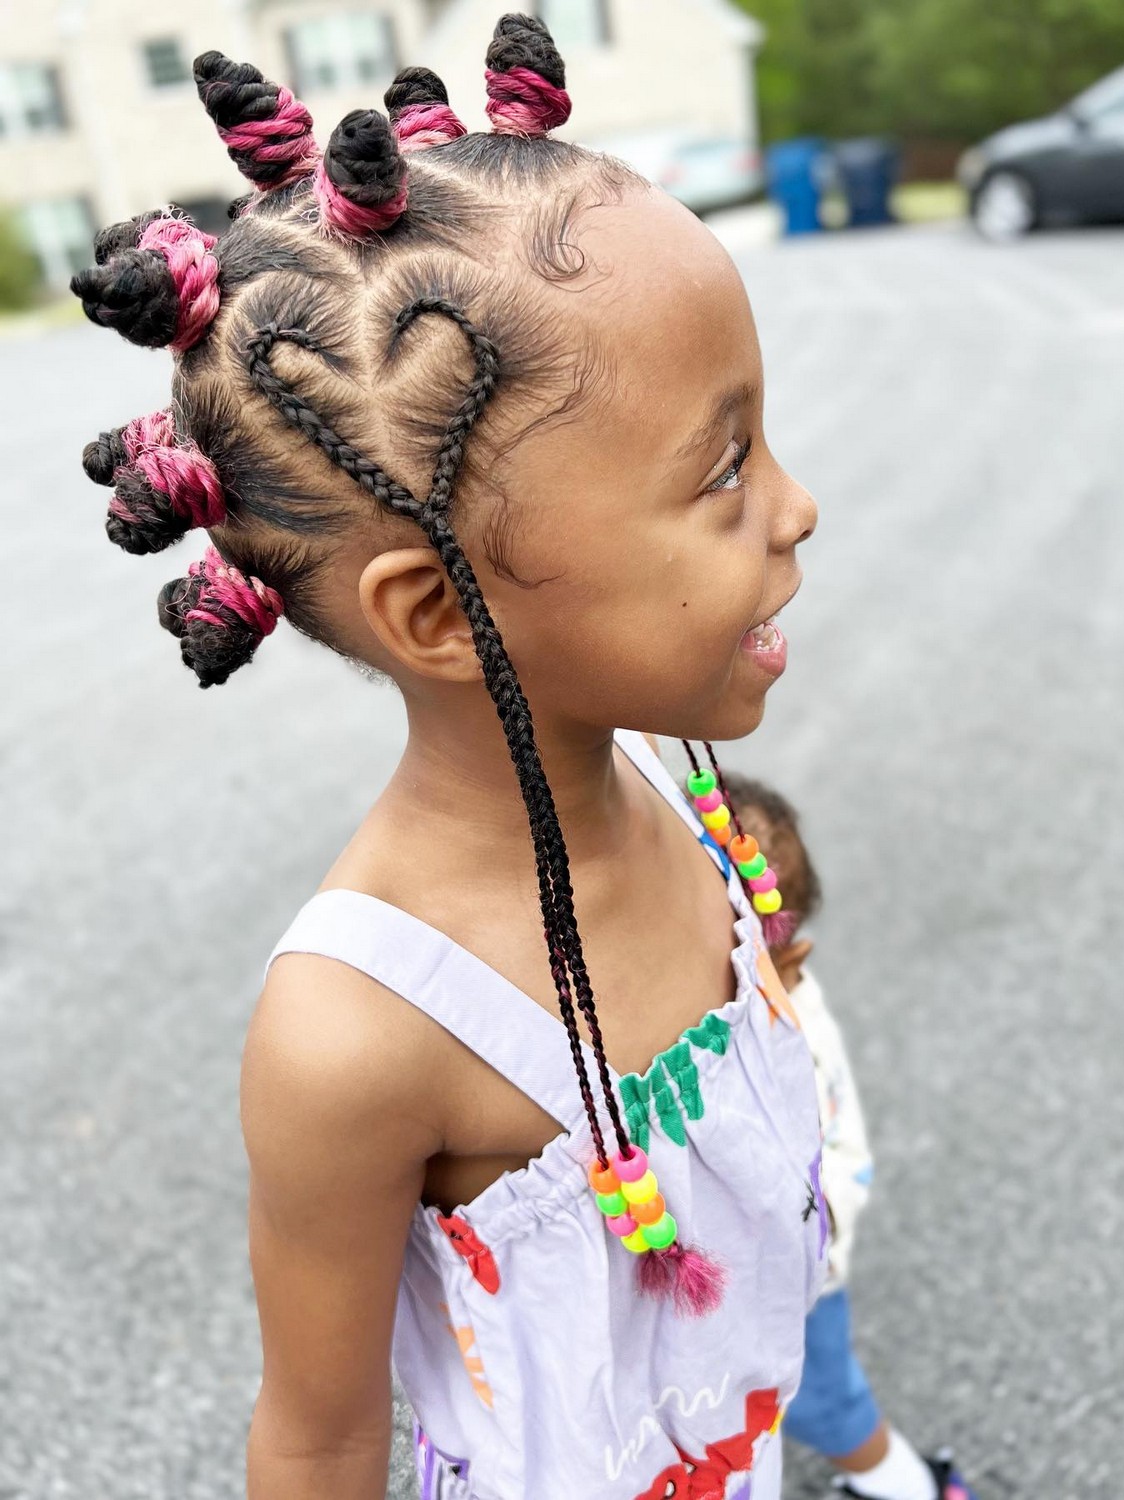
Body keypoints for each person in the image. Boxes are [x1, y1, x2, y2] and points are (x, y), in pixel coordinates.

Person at [69, 16, 828, 1498]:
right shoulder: (353, 1038)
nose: (797, 509)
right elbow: (318, 1437)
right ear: (434, 612)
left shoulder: (685, 788)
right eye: (725, 467)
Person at [722, 775, 977, 1500]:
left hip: (799, 1270)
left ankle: (913, 1488)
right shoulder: (761, 994)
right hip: (759, 1263)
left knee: (830, 1408)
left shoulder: (777, 1041)